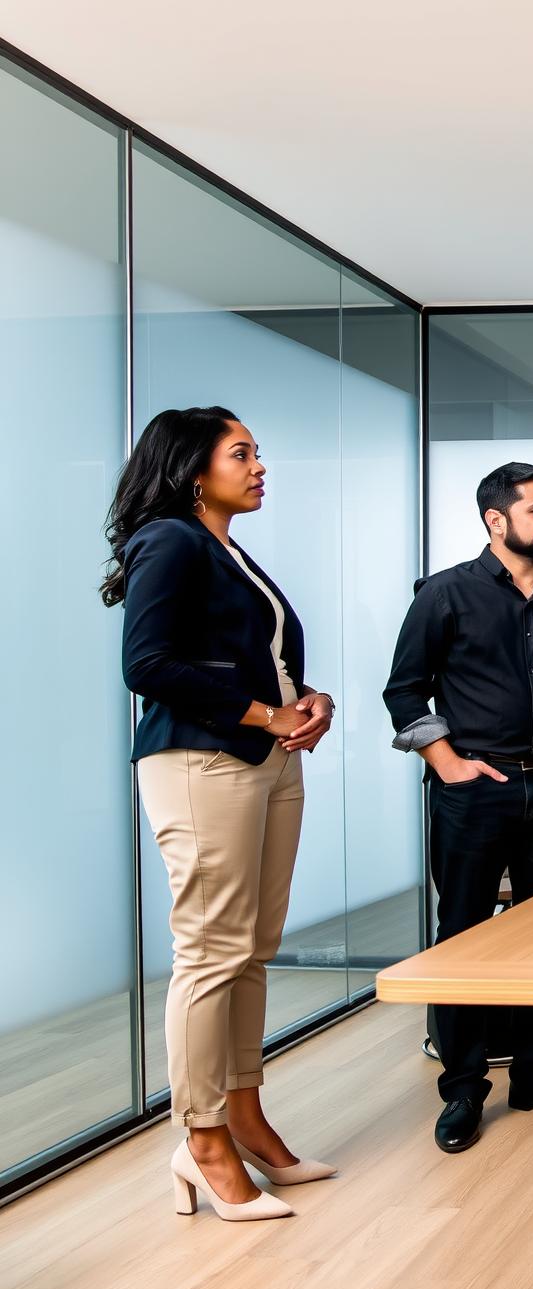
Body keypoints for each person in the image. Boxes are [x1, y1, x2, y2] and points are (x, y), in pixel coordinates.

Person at [104, 406, 338, 1222]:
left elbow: (262, 659)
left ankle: (244, 1116)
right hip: (202, 763)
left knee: (251, 950)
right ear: (194, 471)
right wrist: (264, 714)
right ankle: (201, 1141)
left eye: (258, 452)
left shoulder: (229, 551)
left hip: (266, 765)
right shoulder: (171, 540)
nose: (260, 465)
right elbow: (149, 664)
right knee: (210, 951)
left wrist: (307, 701)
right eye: (243, 453)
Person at [384, 461, 533, 1153]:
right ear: (496, 520)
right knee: (461, 934)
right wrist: (448, 764)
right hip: (473, 796)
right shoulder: (445, 595)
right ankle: (461, 1090)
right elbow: (404, 690)